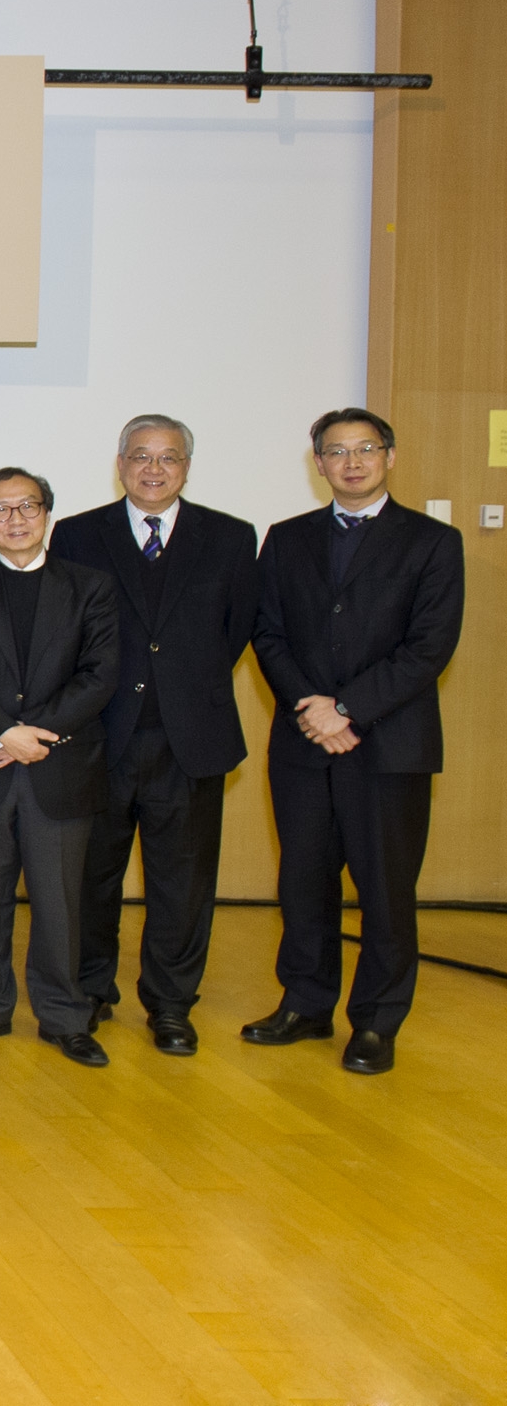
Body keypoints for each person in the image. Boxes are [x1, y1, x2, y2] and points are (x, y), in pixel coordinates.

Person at [245, 408, 462, 1075]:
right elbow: (268, 632)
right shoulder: (286, 539)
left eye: (365, 449)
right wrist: (313, 710)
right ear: (318, 464)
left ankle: (375, 1022)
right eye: (336, 452)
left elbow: (429, 647)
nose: (352, 462)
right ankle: (306, 1004)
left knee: (385, 890)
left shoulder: (432, 541)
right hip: (303, 742)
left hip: (388, 745)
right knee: (303, 881)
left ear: (390, 457)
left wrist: (347, 710)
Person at [49, 415, 258, 1056]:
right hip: (99, 735)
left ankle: (171, 1004)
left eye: (169, 458)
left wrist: (179, 685)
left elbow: (236, 628)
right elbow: (67, 631)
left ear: (187, 467)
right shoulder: (80, 534)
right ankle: (88, 993)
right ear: (120, 463)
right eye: (141, 456)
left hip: (190, 736)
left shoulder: (229, 536)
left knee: (183, 880)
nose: (154, 469)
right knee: (92, 875)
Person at [0, 467, 120, 1068]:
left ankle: (64, 1016)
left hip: (60, 765)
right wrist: (4, 732)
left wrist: (35, 735)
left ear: (47, 513)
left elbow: (99, 674)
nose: (14, 519)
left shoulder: (90, 586)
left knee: (60, 900)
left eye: (27, 506)